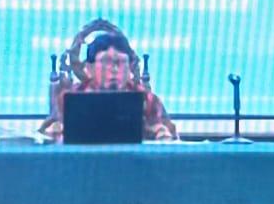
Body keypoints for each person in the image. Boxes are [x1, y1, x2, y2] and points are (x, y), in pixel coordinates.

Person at [41, 32, 176, 141]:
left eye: (121, 62)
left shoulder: (148, 99)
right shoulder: (70, 98)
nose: (114, 69)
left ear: (130, 67)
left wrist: (161, 134)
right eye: (106, 62)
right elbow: (47, 135)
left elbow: (169, 139)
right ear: (89, 68)